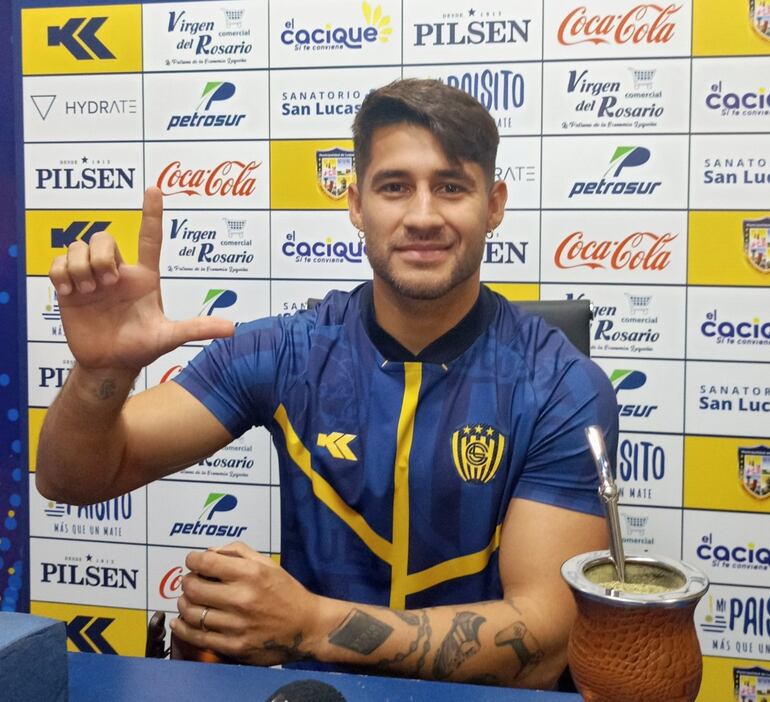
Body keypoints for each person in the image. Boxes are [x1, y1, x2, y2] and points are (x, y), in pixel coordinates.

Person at [36, 79, 618, 690]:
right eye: (394, 187)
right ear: (356, 205)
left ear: (494, 205)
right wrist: (102, 374)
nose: (423, 215)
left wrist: (312, 625)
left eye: (451, 186)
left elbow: (546, 640)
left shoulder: (559, 383)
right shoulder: (289, 350)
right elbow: (74, 480)